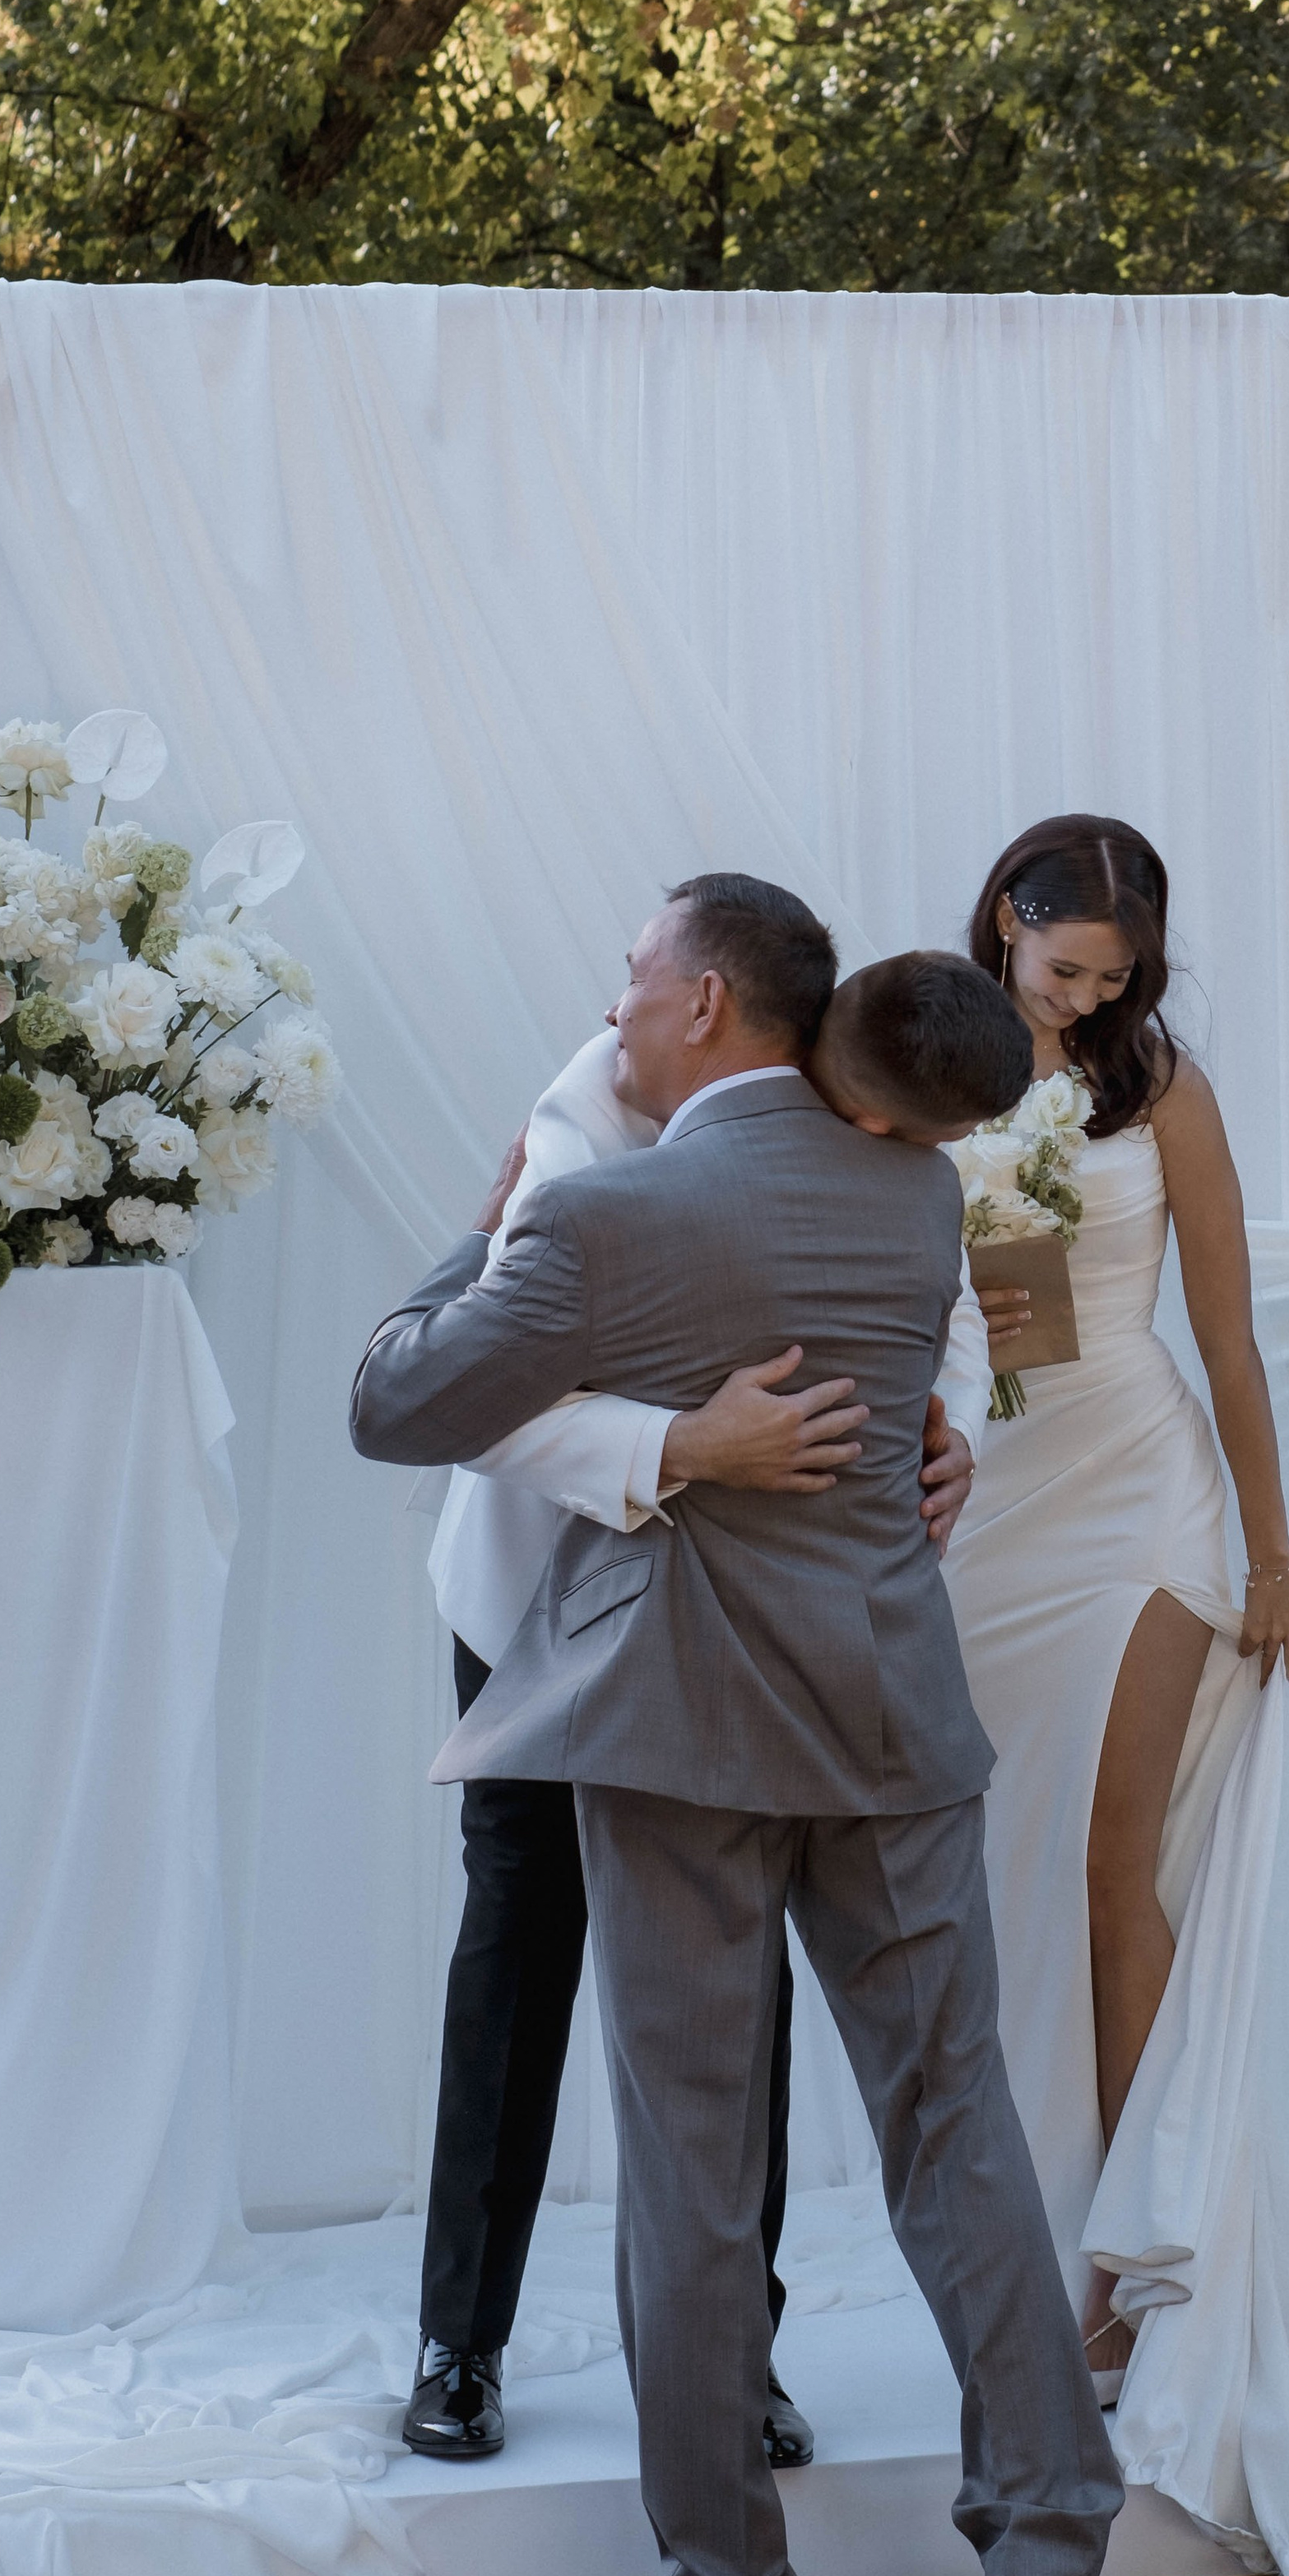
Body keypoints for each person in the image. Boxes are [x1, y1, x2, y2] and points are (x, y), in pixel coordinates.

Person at [350, 878, 1133, 2576]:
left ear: (704, 1001)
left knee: (691, 2165)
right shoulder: (916, 1191)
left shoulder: (600, 1213)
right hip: (889, 1713)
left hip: (678, 1728)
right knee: (957, 2123)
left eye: (634, 972)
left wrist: (482, 1236)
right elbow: (926, 1371)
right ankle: (1045, 2538)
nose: (613, 999)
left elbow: (395, 1405)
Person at [405, 1000, 993, 2468]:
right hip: (535, 1593)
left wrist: (950, 1425)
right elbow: (493, 1392)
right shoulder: (584, 1117)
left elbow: (952, 1300)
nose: (617, 1010)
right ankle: (459, 2340)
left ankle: (739, 2355)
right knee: (519, 1943)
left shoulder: (846, 1107)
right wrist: (683, 1443)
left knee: (739, 1983)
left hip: (732, 1616)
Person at [944, 816, 1289, 2389]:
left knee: (1117, 1865)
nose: (1091, 1000)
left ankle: (1137, 2256)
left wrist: (1272, 1551)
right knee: (1008, 1870)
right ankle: (1012, 2228)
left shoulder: (1163, 1089)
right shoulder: (919, 1057)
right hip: (990, 1496)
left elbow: (1229, 1339)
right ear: (1006, 920)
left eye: (1117, 978)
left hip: (1144, 1488)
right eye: (1068, 969)